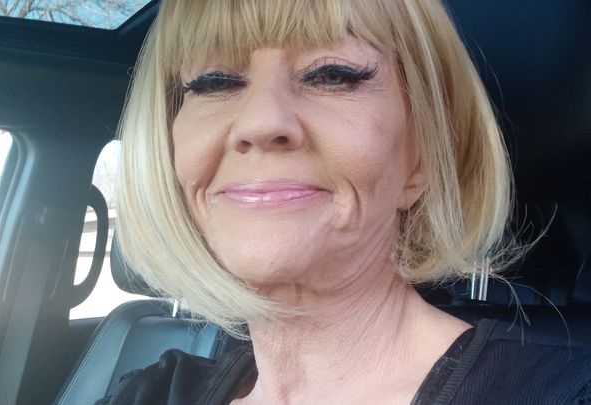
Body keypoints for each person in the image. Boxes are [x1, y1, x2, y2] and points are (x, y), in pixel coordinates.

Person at [105, 0, 591, 404]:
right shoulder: (151, 392)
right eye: (213, 82)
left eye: (332, 75)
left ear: (423, 152)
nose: (260, 122)